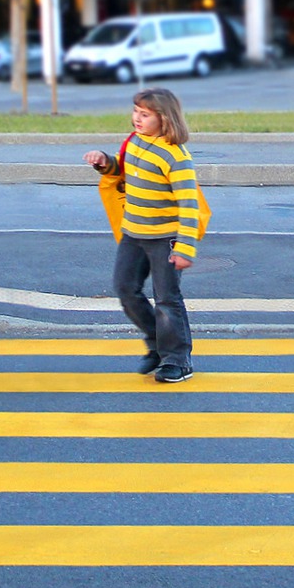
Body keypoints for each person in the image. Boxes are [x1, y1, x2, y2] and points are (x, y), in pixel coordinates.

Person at [83, 87, 200, 383]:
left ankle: (178, 360)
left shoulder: (176, 157)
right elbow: (123, 170)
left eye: (144, 114)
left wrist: (185, 247)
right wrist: (105, 163)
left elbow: (189, 204)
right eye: (135, 111)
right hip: (133, 234)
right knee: (125, 289)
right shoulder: (135, 142)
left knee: (166, 299)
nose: (136, 118)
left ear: (164, 118)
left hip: (165, 238)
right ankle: (158, 345)